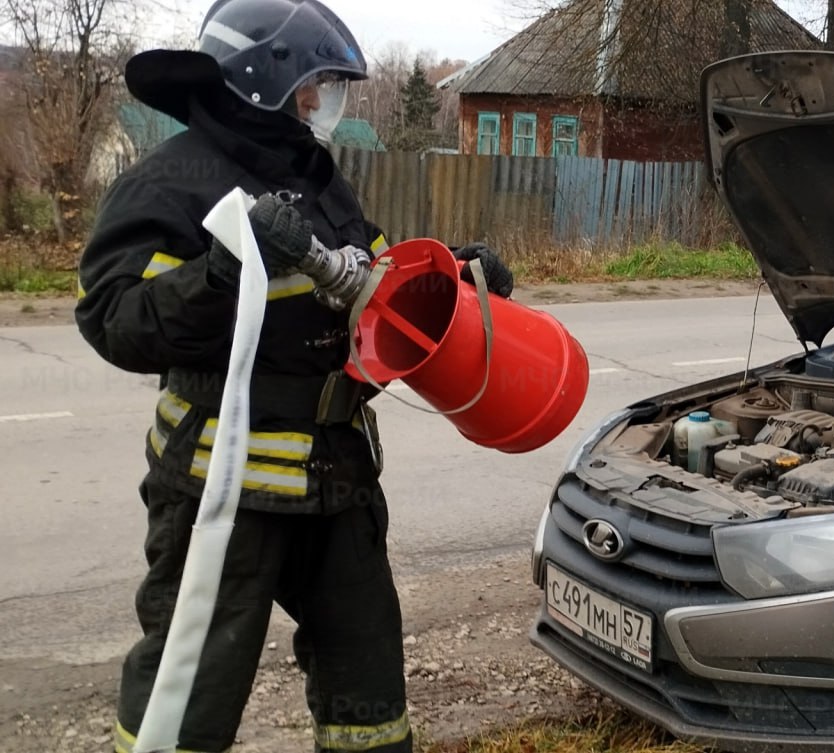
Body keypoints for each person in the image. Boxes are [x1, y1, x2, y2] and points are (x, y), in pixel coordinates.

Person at [74, 0, 514, 750]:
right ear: (262, 82)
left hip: (337, 482)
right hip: (222, 495)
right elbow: (115, 317)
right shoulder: (171, 184)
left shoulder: (316, 177)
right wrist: (220, 275)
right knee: (188, 693)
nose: (323, 103)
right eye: (316, 86)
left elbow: (370, 279)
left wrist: (453, 277)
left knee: (368, 694)